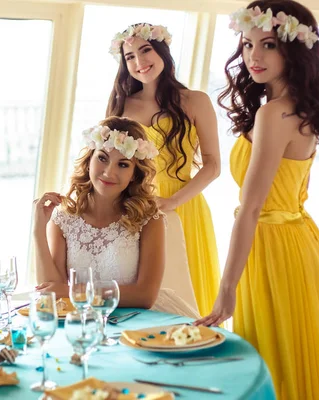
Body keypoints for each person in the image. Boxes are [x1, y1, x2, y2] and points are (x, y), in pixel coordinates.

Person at [194, 1, 319, 398]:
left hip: (273, 249)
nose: (253, 56)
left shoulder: (274, 115)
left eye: (267, 44)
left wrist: (226, 287)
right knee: (295, 357)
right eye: (247, 44)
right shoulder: (299, 110)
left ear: (294, 50)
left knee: (273, 359)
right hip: (299, 243)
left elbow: (251, 209)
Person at [106, 22, 221, 317]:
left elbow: (213, 165)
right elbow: (107, 162)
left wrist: (172, 203)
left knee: (189, 293)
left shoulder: (195, 100)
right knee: (147, 296)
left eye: (145, 51)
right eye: (129, 56)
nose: (139, 62)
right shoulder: (121, 105)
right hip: (136, 209)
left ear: (162, 52)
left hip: (184, 207)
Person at [34, 116, 197, 317]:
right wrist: (38, 232)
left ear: (135, 174)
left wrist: (73, 292)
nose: (109, 172)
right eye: (102, 158)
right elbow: (51, 292)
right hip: (86, 321)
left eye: (123, 165)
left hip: (138, 321)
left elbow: (145, 296)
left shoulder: (149, 220)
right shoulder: (64, 218)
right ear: (89, 161)